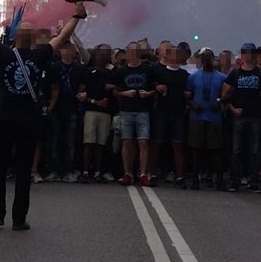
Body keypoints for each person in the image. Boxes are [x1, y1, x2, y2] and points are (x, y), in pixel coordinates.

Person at [0, 0, 84, 231]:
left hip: (4, 118)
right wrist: (76, 16)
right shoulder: (40, 55)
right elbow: (62, 37)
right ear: (33, 40)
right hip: (29, 119)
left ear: (15, 37)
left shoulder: (4, 53)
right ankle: (19, 218)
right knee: (23, 170)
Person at [221, 43, 261, 192]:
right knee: (236, 149)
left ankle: (252, 180)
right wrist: (232, 109)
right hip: (239, 115)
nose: (249, 55)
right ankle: (235, 180)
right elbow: (224, 93)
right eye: (246, 53)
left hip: (255, 115)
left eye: (251, 53)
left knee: (254, 150)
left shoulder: (260, 74)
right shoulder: (235, 73)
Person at [114, 42, 157, 187]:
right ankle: (127, 173)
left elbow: (155, 88)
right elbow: (115, 91)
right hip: (126, 110)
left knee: (143, 142)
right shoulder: (122, 71)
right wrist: (124, 94)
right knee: (127, 141)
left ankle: (143, 173)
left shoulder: (147, 70)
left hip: (143, 111)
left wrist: (148, 93)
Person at [186, 49, 227, 190]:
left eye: (209, 58)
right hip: (197, 117)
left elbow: (228, 94)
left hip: (214, 118)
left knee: (216, 150)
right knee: (195, 149)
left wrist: (219, 102)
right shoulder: (193, 77)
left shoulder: (222, 78)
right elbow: (187, 95)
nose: (207, 61)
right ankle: (195, 179)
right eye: (205, 58)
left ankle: (218, 179)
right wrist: (193, 105)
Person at [153, 45, 191, 188]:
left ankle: (180, 176)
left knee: (178, 146)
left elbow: (188, 92)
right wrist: (156, 87)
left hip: (178, 114)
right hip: (162, 112)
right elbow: (152, 84)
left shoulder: (184, 75)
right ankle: (152, 174)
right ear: (167, 57)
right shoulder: (159, 73)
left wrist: (188, 96)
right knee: (157, 144)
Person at [46, 41, 84, 183]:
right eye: (64, 49)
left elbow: (83, 85)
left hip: (72, 108)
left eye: (70, 49)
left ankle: (69, 170)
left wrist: (82, 94)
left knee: (70, 141)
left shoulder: (79, 68)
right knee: (55, 140)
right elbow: (50, 87)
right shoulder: (54, 67)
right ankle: (55, 170)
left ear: (74, 52)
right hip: (57, 108)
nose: (67, 52)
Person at [79, 45, 115, 183]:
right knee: (89, 141)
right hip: (91, 110)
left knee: (101, 143)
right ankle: (85, 170)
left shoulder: (112, 73)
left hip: (106, 112)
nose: (103, 56)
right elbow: (80, 93)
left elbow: (117, 90)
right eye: (101, 53)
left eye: (106, 53)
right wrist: (94, 101)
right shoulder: (89, 72)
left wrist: (109, 96)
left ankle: (98, 171)